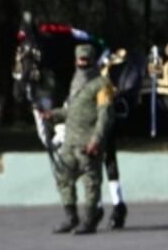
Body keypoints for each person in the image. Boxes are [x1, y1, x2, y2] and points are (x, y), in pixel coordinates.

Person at [42, 43, 115, 235]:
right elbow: (73, 112)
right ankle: (70, 217)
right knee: (63, 178)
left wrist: (96, 140)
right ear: (75, 60)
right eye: (80, 59)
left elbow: (105, 115)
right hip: (70, 142)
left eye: (86, 59)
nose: (83, 63)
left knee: (90, 182)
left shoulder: (103, 85)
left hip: (88, 142)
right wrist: (54, 114)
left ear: (93, 60)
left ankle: (89, 219)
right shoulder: (75, 82)